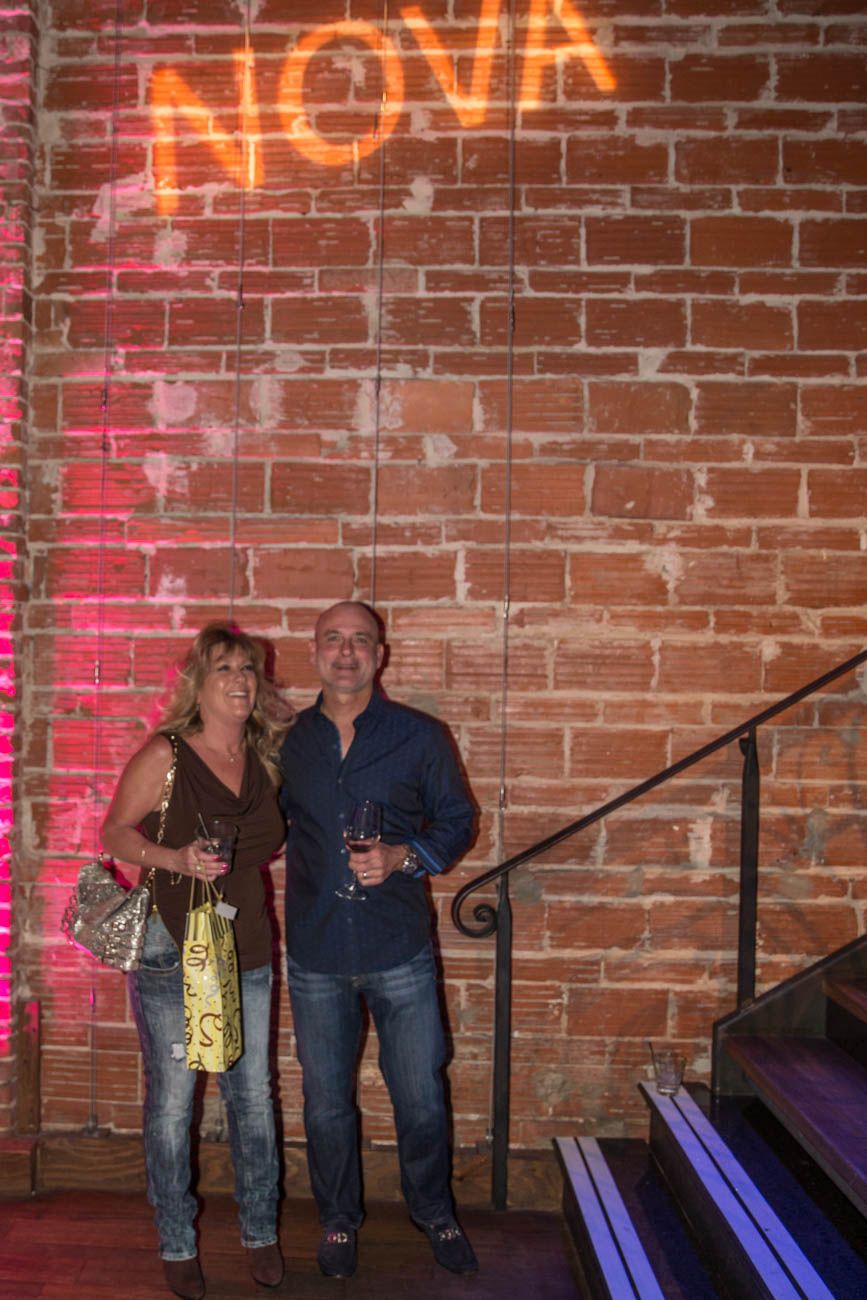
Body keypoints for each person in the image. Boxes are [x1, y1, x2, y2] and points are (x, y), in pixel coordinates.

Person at [279, 600, 479, 1279]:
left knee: (420, 1095)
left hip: (398, 944)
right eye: (333, 639)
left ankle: (434, 1212)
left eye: (360, 640)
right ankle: (337, 1220)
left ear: (380, 654)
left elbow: (457, 819)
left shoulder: (420, 735)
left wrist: (404, 855)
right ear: (315, 652)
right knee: (326, 1103)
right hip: (317, 947)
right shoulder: (287, 741)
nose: (346, 652)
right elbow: (260, 820)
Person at [102, 623, 290, 1300]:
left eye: (248, 669)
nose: (240, 680)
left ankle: (260, 1230)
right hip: (172, 943)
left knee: (253, 1096)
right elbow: (113, 832)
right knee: (174, 1101)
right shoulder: (168, 753)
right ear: (198, 684)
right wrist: (175, 858)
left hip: (246, 943)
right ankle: (177, 1240)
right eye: (224, 668)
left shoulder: (265, 756)